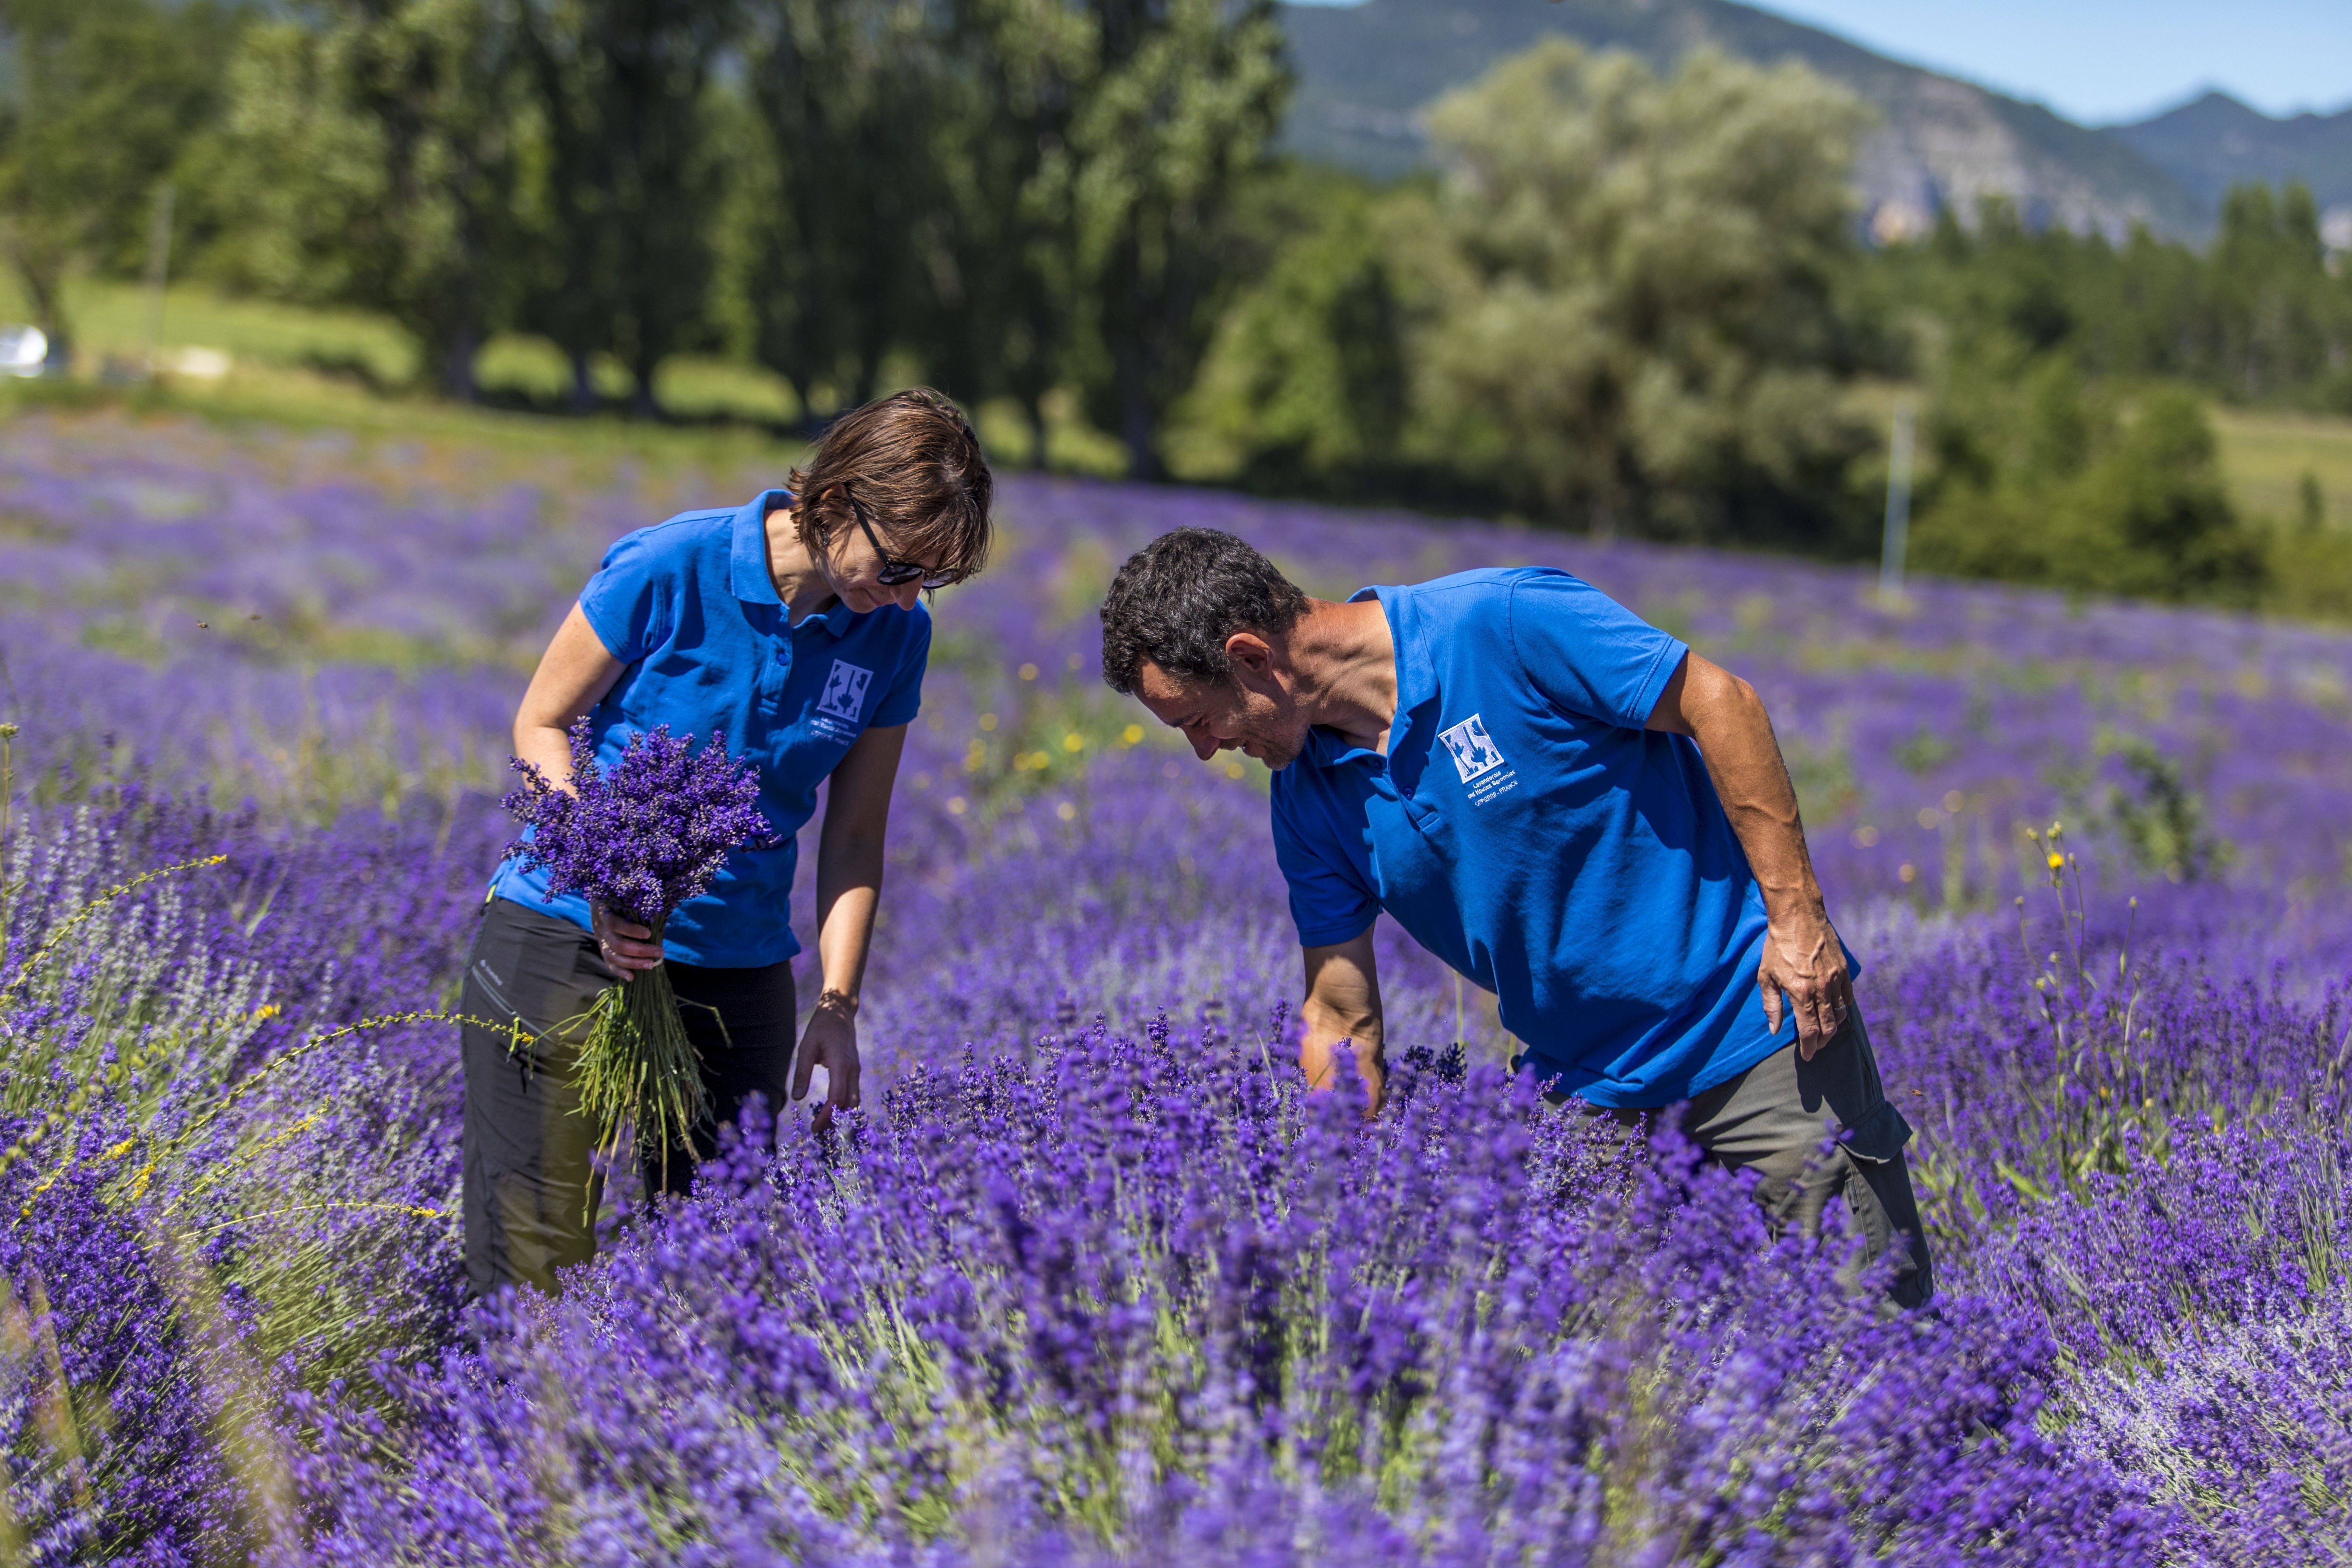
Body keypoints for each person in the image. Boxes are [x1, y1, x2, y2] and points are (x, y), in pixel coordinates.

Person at [1098, 528, 1932, 1309]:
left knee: (1874, 1337)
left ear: (1251, 657)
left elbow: (1722, 702)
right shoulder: (1309, 801)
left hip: (1761, 1033)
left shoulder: (1503, 623)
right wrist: (1332, 1201)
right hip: (1588, 1096)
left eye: (1199, 719)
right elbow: (1341, 1018)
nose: (1205, 749)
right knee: (1615, 1387)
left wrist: (1798, 921)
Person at [460, 388, 992, 1297]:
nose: (906, 598)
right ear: (839, 497)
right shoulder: (674, 562)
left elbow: (857, 835)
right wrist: (600, 871)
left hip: (737, 968)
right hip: (564, 937)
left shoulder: (896, 637)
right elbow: (543, 722)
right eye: (900, 566)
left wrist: (837, 1005)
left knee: (713, 1282)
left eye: (929, 582)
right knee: (532, 1266)